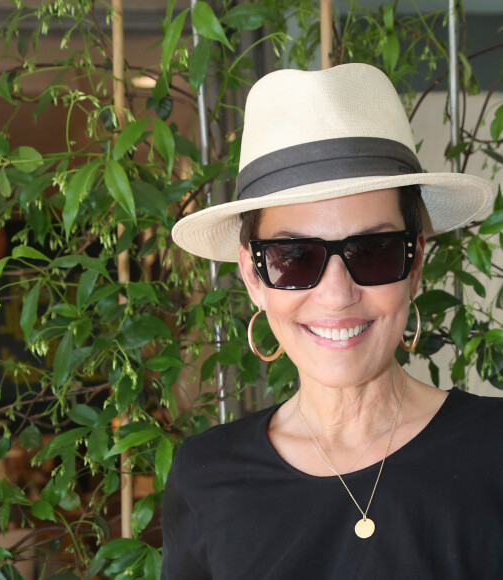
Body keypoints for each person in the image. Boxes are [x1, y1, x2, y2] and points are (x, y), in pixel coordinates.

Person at [161, 63, 503, 579]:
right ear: (253, 277)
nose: (338, 294)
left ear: (415, 264)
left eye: (374, 250)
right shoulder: (206, 475)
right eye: (294, 256)